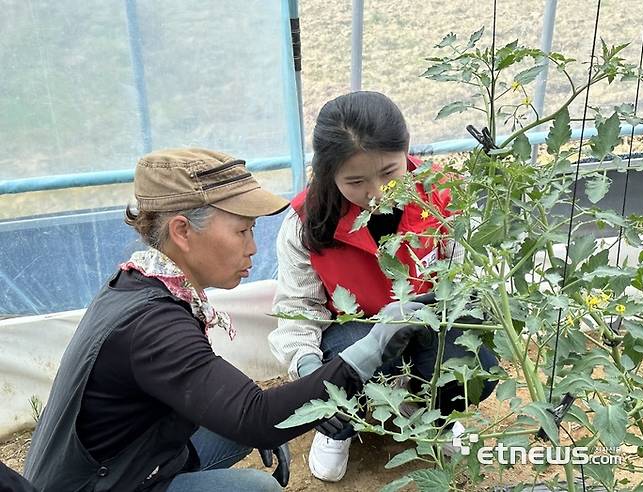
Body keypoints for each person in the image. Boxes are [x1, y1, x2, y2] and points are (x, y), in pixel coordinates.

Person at [23, 148, 431, 492]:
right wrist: (374, 345)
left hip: (127, 456)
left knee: (242, 423)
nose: (253, 247)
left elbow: (213, 390)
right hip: (98, 484)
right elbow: (256, 417)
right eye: (242, 231)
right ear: (182, 230)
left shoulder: (142, 282)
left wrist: (264, 420)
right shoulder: (151, 326)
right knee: (258, 488)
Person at [268, 92, 499, 482]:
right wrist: (315, 384)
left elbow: (469, 283)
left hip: (429, 321)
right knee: (339, 366)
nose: (375, 192)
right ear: (328, 173)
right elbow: (299, 311)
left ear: (406, 150)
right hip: (355, 334)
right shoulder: (304, 223)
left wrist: (441, 310)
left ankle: (429, 414)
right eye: (354, 181)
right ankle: (344, 425)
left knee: (475, 369)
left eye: (389, 173)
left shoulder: (444, 196)